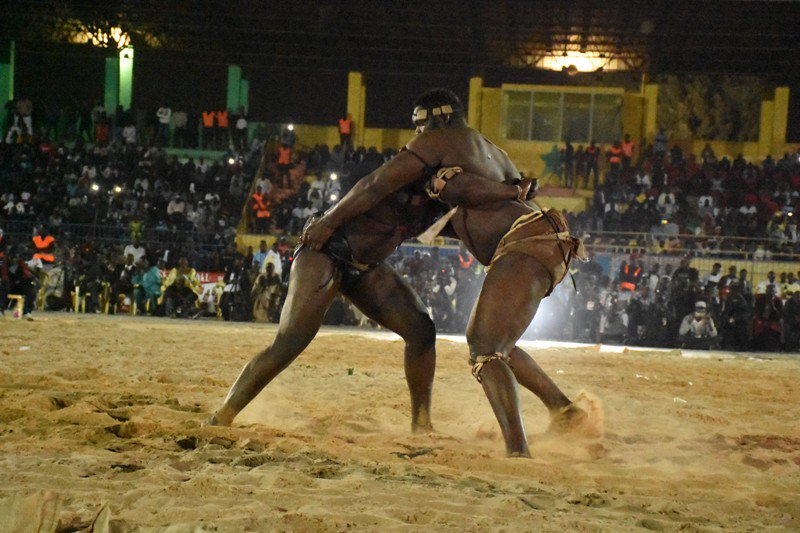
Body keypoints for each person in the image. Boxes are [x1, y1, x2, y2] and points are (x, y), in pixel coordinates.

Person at [303, 88, 592, 457]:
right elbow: (491, 196)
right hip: (540, 242)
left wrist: (329, 221)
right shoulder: (488, 151)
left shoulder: (442, 140)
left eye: (419, 126)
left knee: (484, 349)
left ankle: (518, 451)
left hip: (526, 245)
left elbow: (375, 184)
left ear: (439, 119)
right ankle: (564, 410)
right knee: (497, 343)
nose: (416, 136)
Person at [208, 141, 532, 433]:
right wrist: (328, 221)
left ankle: (421, 423)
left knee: (421, 331)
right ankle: (224, 414)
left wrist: (512, 194)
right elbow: (366, 188)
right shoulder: (402, 177)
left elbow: (481, 218)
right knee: (290, 340)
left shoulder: (446, 207)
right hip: (326, 252)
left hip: (366, 268)